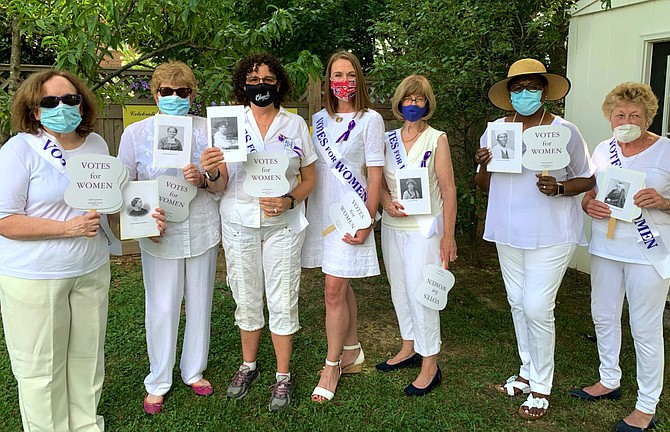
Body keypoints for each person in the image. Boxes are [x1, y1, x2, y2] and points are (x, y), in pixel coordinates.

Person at [0, 70, 161, 431]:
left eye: (70, 99)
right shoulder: (18, 150)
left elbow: (108, 201)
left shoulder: (96, 146)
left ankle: (88, 424)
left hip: (90, 267)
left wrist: (145, 216)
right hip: (35, 276)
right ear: (35, 111)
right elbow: (5, 219)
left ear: (82, 102)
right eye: (51, 101)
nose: (63, 106)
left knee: (88, 358)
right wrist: (65, 228)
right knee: (41, 368)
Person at [474, 58, 595, 420]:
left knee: (538, 306)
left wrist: (559, 187)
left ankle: (543, 384)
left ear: (544, 90)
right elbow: (483, 186)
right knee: (516, 301)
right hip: (509, 231)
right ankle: (527, 371)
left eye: (532, 87)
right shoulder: (496, 129)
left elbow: (587, 179)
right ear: (508, 93)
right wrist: (483, 163)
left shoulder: (564, 130)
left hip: (552, 232)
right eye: (517, 87)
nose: (525, 93)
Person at [201, 52, 317, 412]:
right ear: (243, 85)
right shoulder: (228, 124)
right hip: (238, 222)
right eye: (253, 80)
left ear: (279, 83)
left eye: (267, 79)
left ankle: (283, 376)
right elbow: (219, 186)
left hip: (282, 226)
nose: (261, 85)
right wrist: (212, 171)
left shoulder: (295, 125)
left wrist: (289, 200)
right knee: (247, 296)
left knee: (283, 298)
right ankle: (248, 365)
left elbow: (310, 178)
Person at [118, 60, 221, 415]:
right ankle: (158, 379)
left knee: (200, 301)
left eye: (182, 92)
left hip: (202, 226)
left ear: (192, 94)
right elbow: (125, 185)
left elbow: (223, 182)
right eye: (166, 91)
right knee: (162, 306)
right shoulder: (135, 134)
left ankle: (194, 369)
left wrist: (204, 177)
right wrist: (144, 221)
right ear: (154, 92)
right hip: (159, 231)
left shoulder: (208, 130)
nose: (174, 97)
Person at [571, 83, 669, 432]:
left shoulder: (666, 151)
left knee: (644, 327)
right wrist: (588, 204)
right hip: (607, 247)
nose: (627, 120)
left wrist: (663, 202)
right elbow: (592, 193)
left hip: (648, 252)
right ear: (610, 117)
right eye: (620, 114)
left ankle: (646, 404)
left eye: (635, 115)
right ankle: (608, 379)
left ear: (648, 117)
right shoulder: (603, 149)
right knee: (604, 316)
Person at [302, 50, 384, 403]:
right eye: (337, 75)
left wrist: (368, 218)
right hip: (322, 211)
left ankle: (332, 364)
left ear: (359, 80)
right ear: (327, 81)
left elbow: (376, 173)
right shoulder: (317, 119)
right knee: (338, 281)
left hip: (352, 215)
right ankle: (351, 349)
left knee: (333, 289)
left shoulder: (371, 120)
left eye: (350, 75)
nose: (344, 82)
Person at [377, 74, 457, 396]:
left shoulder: (437, 138)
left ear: (427, 104)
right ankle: (408, 346)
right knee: (399, 290)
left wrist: (448, 237)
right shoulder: (387, 139)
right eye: (408, 99)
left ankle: (430, 363)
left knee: (423, 295)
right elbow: (379, 183)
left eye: (419, 99)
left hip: (425, 231)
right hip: (392, 228)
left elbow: (449, 191)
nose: (413, 104)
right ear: (399, 103)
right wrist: (384, 201)